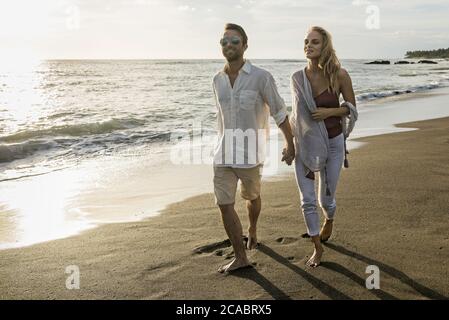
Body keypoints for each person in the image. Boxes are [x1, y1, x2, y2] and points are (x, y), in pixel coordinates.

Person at [212, 23, 295, 273]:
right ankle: (240, 256)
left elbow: (280, 112)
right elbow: (220, 117)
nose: (229, 45)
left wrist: (290, 143)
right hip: (223, 152)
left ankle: (253, 228)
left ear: (245, 45)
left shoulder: (261, 77)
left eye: (234, 41)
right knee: (224, 203)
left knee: (252, 197)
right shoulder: (217, 80)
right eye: (224, 41)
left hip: (251, 154)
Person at [290, 26, 358, 267]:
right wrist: (290, 145)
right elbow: (295, 116)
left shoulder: (339, 75)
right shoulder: (297, 78)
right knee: (306, 200)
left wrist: (330, 111)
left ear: (325, 46)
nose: (308, 45)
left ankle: (329, 218)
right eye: (306, 41)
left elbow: (351, 108)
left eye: (314, 42)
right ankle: (317, 248)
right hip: (305, 143)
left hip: (333, 142)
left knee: (325, 199)